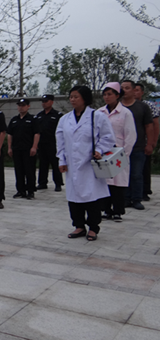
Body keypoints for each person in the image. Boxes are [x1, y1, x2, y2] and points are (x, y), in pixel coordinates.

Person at [56, 85, 115, 241]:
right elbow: (60, 142)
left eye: (76, 97)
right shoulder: (64, 119)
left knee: (92, 197)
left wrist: (100, 150)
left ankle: (93, 228)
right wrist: (62, 159)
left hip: (89, 163)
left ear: (85, 98)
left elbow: (108, 137)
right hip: (72, 164)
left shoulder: (98, 116)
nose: (72, 99)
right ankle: (79, 226)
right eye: (71, 97)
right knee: (74, 197)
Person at [97, 82, 136, 222]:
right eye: (104, 94)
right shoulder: (99, 112)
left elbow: (130, 135)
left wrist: (124, 153)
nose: (106, 97)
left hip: (119, 152)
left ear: (117, 95)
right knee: (105, 182)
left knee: (118, 183)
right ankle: (106, 209)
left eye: (109, 94)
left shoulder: (125, 113)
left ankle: (118, 211)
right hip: (103, 151)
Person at [120, 80, 154, 210]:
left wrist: (150, 143)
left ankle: (137, 199)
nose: (124, 90)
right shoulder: (117, 106)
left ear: (134, 90)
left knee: (136, 174)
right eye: (122, 88)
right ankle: (125, 199)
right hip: (120, 148)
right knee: (123, 174)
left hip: (138, 146)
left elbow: (149, 126)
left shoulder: (142, 107)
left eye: (127, 88)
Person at [7, 98, 40, 200]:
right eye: (19, 105)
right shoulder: (14, 120)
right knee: (19, 170)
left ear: (28, 106)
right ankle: (21, 190)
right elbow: (9, 134)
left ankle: (30, 191)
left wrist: (34, 147)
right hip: (17, 149)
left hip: (28, 149)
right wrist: (9, 147)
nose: (21, 107)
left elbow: (37, 134)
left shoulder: (33, 119)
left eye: (23, 105)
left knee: (29, 170)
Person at [134, 83, 160, 201]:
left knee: (144, 168)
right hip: (129, 142)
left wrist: (153, 141)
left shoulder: (149, 106)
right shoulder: (124, 106)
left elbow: (155, 124)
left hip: (143, 141)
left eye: (137, 90)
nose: (134, 92)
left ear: (142, 92)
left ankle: (145, 191)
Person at [35, 94, 64, 191]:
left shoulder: (57, 115)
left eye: (46, 101)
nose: (44, 103)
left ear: (51, 102)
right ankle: (42, 183)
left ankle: (58, 183)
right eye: (42, 101)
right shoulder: (39, 116)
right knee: (43, 164)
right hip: (42, 143)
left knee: (55, 164)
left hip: (53, 143)